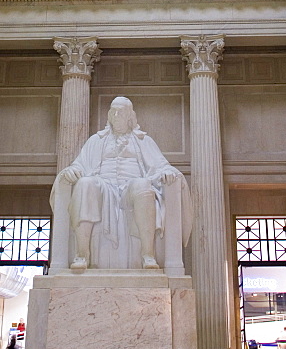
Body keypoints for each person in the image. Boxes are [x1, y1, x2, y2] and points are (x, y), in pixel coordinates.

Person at [51, 96, 191, 271]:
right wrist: (70, 171)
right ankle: (82, 253)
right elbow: (79, 165)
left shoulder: (143, 141)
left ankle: (148, 254)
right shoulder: (96, 141)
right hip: (103, 187)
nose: (116, 115)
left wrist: (168, 172)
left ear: (130, 116)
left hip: (131, 189)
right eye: (113, 111)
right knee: (85, 183)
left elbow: (161, 166)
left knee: (143, 186)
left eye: (121, 112)